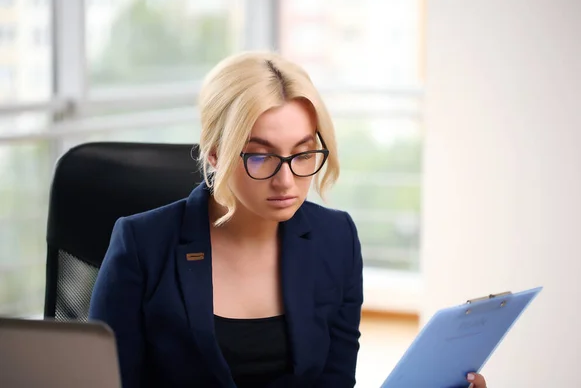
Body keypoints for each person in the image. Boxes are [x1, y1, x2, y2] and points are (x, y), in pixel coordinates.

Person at [89, 52, 487, 388]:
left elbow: (335, 382)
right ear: (214, 154)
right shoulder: (142, 245)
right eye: (261, 155)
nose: (287, 180)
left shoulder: (336, 239)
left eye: (302, 154)